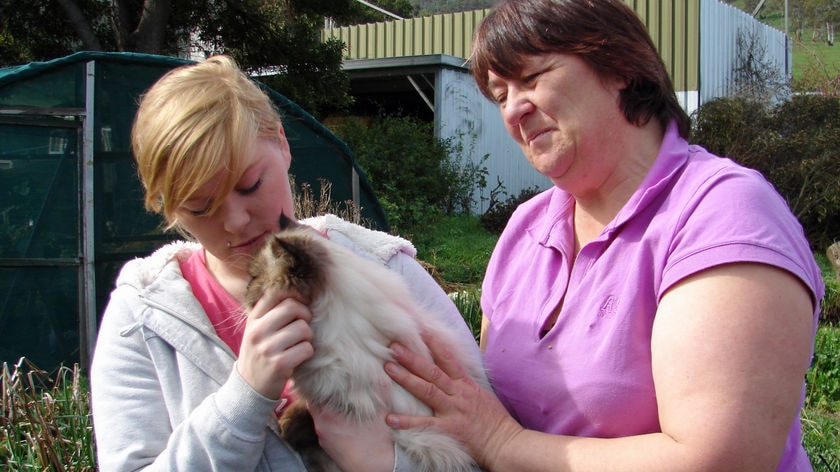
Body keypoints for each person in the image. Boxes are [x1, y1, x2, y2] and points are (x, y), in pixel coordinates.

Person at [382, 1, 825, 471]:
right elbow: (486, 398)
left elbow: (719, 460)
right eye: (500, 93)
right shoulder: (526, 229)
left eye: (532, 77)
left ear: (620, 68)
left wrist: (500, 441)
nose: (513, 109)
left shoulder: (721, 213)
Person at [89, 55, 481, 471]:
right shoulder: (144, 317)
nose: (236, 222)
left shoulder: (389, 267)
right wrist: (244, 397)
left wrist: (382, 462)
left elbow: (486, 445)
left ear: (282, 143)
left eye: (250, 184)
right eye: (200, 209)